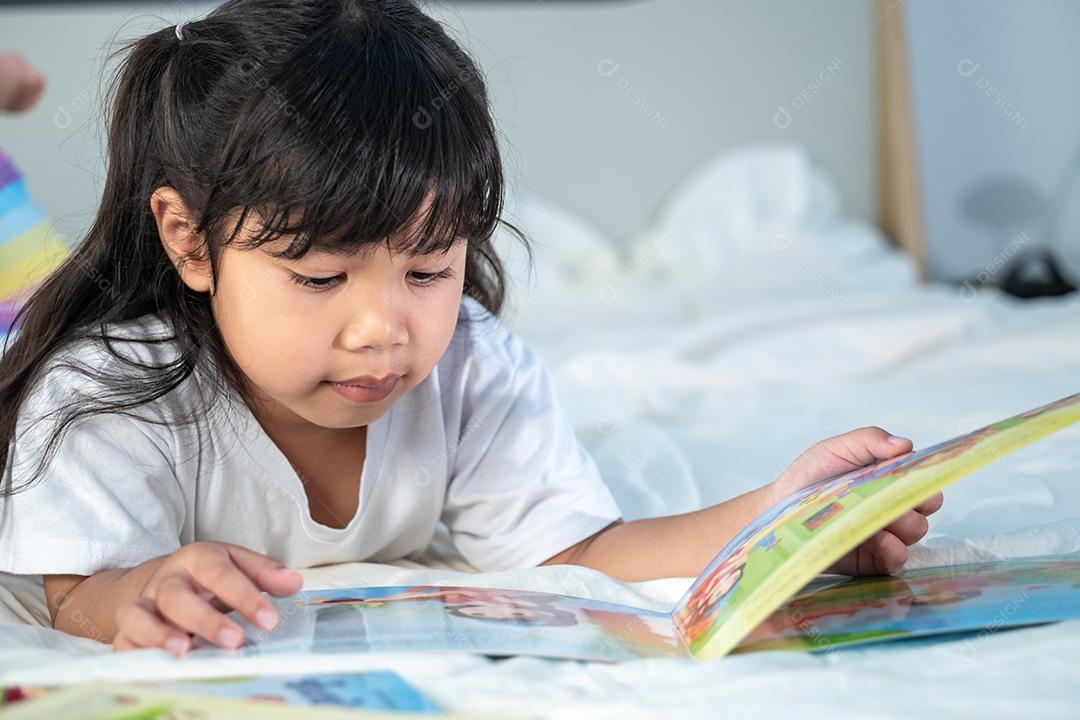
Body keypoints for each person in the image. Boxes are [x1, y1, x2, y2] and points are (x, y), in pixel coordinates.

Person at [0, 0, 942, 659]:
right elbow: (75, 593)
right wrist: (138, 592)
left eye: (428, 268)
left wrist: (785, 518)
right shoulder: (105, 395)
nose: (383, 329)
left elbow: (579, 551)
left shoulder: (473, 366)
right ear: (190, 244)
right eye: (320, 276)